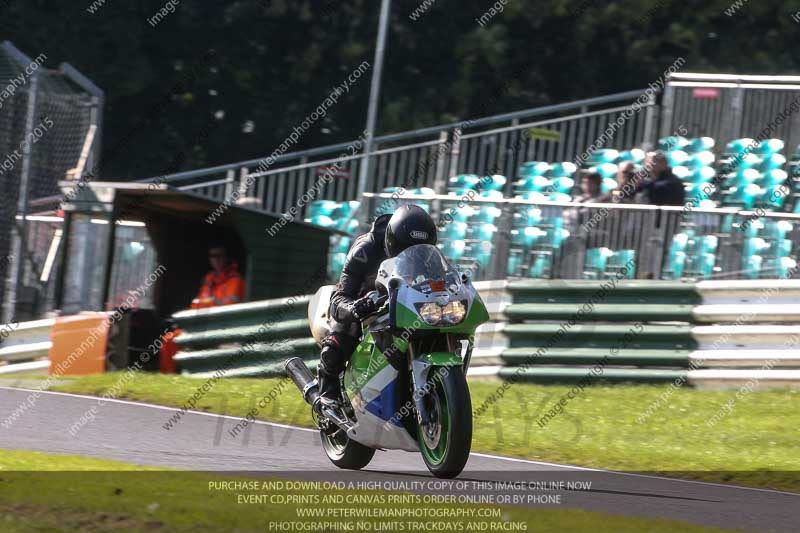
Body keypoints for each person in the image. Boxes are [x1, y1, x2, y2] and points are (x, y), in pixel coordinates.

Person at [316, 204, 438, 410]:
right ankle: (328, 390)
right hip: (364, 303)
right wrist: (355, 307)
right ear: (392, 242)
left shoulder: (427, 253)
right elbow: (339, 298)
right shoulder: (365, 249)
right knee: (344, 332)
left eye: (417, 250)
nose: (412, 255)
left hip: (404, 306)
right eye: (405, 249)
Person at [190, 243, 246, 309]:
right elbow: (195, 305)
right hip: (206, 317)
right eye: (212, 256)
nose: (216, 259)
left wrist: (209, 302)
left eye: (219, 256)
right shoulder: (208, 279)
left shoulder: (235, 280)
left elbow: (230, 307)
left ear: (227, 257)